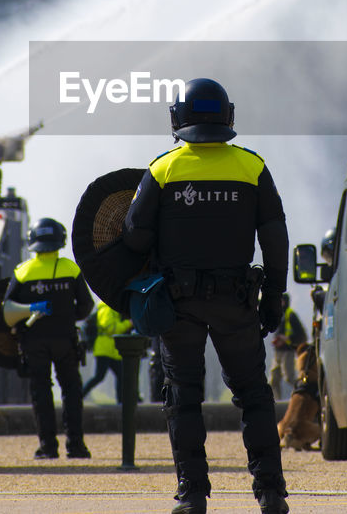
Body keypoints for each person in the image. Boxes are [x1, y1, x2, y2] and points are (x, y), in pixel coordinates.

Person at [123, 77, 290, 514]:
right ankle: (270, 493)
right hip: (237, 302)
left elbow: (136, 238)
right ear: (228, 115)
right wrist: (274, 296)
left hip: (179, 305)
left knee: (183, 396)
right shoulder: (252, 168)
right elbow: (275, 241)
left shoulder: (162, 169)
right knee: (254, 395)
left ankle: (193, 495)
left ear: (178, 118)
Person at [5, 217, 95, 459]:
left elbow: (7, 311)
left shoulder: (22, 272)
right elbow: (86, 306)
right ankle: (76, 446)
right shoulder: (70, 268)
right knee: (72, 392)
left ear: (33, 242)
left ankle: (47, 447)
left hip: (34, 343)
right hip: (65, 340)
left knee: (41, 393)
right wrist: (68, 317)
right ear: (60, 241)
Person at [82, 301, 133, 402]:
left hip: (111, 350)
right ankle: (80, 395)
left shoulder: (109, 309)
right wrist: (128, 324)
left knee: (121, 375)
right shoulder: (107, 309)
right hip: (104, 349)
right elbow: (110, 328)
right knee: (99, 376)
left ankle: (121, 401)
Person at [268, 294, 307, 399]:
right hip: (278, 352)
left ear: (284, 302)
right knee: (273, 380)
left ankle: (305, 392)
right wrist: (277, 340)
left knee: (289, 377)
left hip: (287, 352)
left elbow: (301, 336)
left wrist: (286, 339)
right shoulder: (280, 314)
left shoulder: (291, 315)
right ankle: (277, 403)